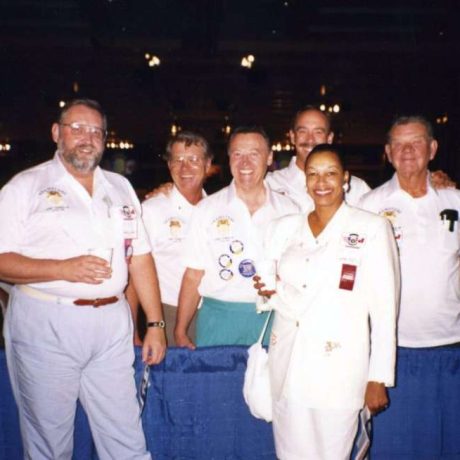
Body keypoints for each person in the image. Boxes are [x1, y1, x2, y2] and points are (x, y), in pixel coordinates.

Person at [0, 99, 166, 459]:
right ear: (57, 133)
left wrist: (155, 323)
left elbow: (140, 256)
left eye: (96, 131)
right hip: (47, 321)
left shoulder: (120, 187)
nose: (87, 138)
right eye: (77, 128)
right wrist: (61, 269)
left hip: (110, 323)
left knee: (126, 437)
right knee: (50, 441)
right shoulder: (25, 186)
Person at [256, 144, 399, 459]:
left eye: (330, 173)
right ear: (304, 180)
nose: (322, 182)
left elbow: (385, 310)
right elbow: (271, 289)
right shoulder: (284, 229)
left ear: (345, 178)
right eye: (313, 174)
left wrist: (378, 376)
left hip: (339, 366)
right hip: (289, 363)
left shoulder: (371, 228)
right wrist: (266, 292)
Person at [358, 116, 460, 444]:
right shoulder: (370, 207)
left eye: (416, 142)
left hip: (452, 347)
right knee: (398, 447)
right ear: (388, 152)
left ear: (432, 149)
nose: (407, 151)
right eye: (399, 144)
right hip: (395, 352)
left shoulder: (455, 201)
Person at [174, 126, 299, 349]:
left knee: (271, 384)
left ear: (269, 157)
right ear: (229, 158)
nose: (245, 163)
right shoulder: (207, 209)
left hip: (274, 317)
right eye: (237, 154)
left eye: (254, 154)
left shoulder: (290, 210)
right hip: (219, 319)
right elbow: (193, 275)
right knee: (216, 384)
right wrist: (180, 329)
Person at [126, 131, 212, 346]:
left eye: (193, 160)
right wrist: (133, 329)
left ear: (208, 165)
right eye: (178, 160)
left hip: (213, 313)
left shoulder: (218, 208)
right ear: (169, 165)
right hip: (167, 313)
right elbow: (134, 274)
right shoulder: (152, 210)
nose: (185, 168)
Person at [266, 106, 371, 210]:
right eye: (303, 131)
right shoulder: (270, 185)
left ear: (329, 138)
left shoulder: (356, 189)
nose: (310, 139)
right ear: (293, 137)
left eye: (318, 132)